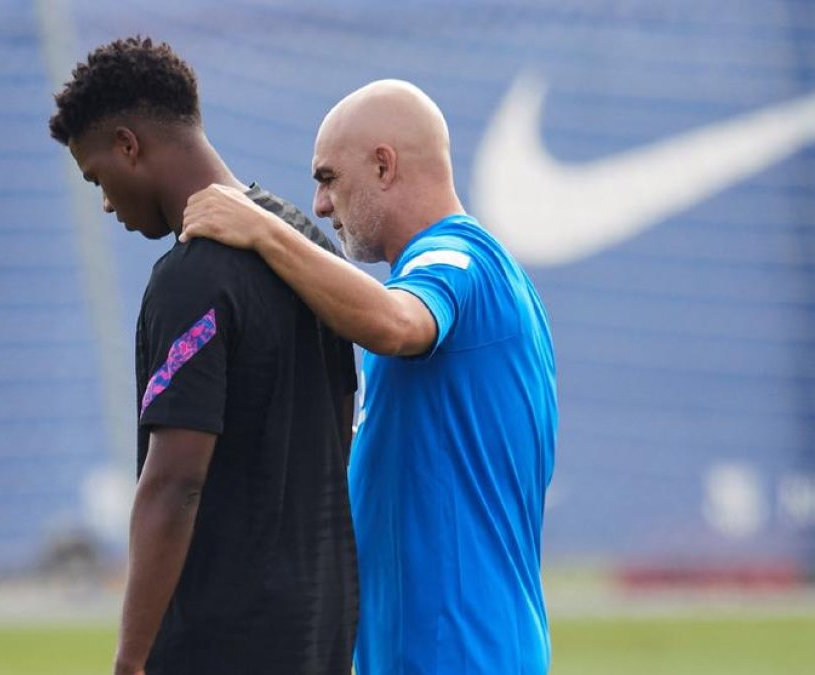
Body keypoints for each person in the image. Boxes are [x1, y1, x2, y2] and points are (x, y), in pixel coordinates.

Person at [182, 79, 557, 674]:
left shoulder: (457, 257)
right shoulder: (454, 274)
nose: (321, 205)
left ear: (384, 166)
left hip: (460, 656)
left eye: (328, 178)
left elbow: (396, 322)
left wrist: (262, 231)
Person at [48, 37, 358, 675]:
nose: (105, 202)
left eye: (98, 176)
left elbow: (175, 482)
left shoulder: (193, 278)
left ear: (129, 145)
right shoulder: (305, 245)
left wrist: (131, 659)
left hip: (226, 639)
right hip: (323, 628)